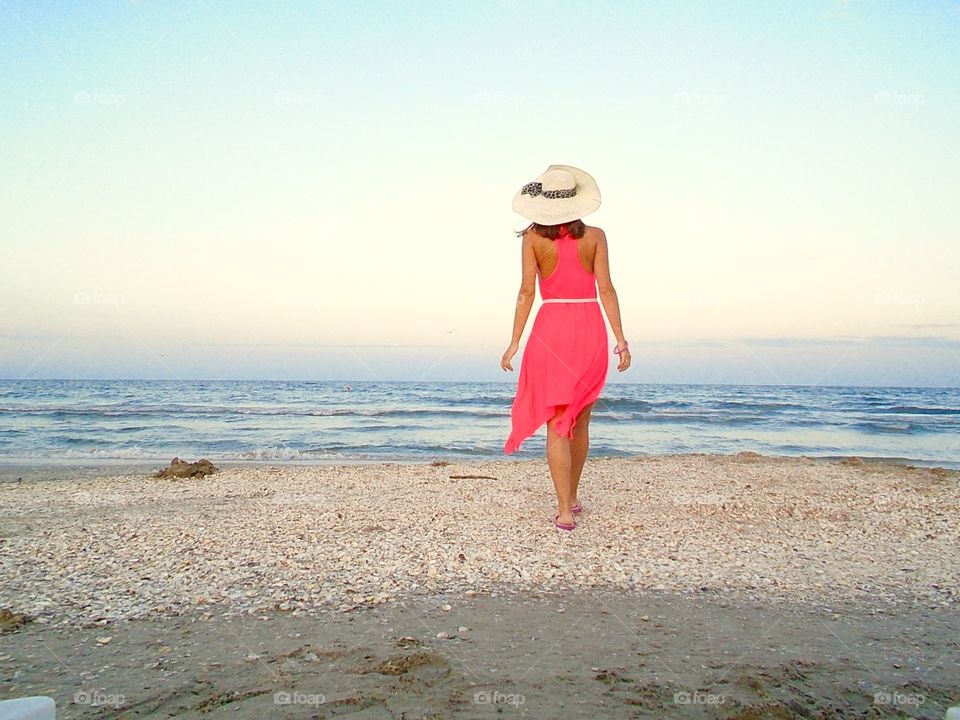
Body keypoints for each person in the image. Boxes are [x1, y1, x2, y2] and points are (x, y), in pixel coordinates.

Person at [500, 164, 631, 531]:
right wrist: (620, 339)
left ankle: (563, 509)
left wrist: (514, 343)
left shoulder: (532, 239)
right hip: (588, 328)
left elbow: (526, 292)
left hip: (550, 329)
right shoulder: (596, 237)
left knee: (558, 423)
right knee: (580, 420)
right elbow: (606, 288)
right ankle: (571, 497)